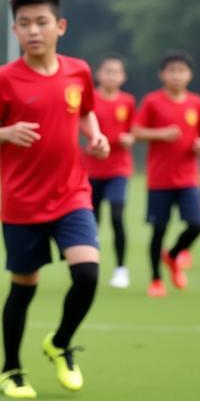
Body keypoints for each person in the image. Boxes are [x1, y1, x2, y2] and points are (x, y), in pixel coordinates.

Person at [0, 0, 108, 399]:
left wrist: (97, 136)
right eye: (25, 24)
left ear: (60, 26)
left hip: (71, 195)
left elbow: (84, 111)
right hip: (22, 201)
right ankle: (11, 369)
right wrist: (8, 132)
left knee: (87, 272)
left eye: (42, 22)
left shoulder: (79, 71)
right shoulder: (5, 78)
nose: (34, 31)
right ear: (15, 30)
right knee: (24, 287)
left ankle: (60, 343)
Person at [132, 51, 200, 297]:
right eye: (172, 71)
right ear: (162, 74)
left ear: (189, 75)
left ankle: (174, 255)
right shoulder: (152, 101)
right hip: (160, 179)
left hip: (188, 178)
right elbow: (136, 131)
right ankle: (156, 279)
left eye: (182, 71)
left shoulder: (196, 103)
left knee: (197, 224)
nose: (176, 76)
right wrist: (161, 134)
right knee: (159, 229)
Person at [87, 55, 136, 289]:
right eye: (108, 71)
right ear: (98, 74)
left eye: (117, 72)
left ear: (123, 77)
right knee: (91, 222)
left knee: (117, 217)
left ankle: (120, 269)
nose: (112, 76)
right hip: (91, 169)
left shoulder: (128, 101)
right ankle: (89, 268)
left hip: (118, 168)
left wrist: (130, 138)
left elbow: (133, 130)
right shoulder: (90, 100)